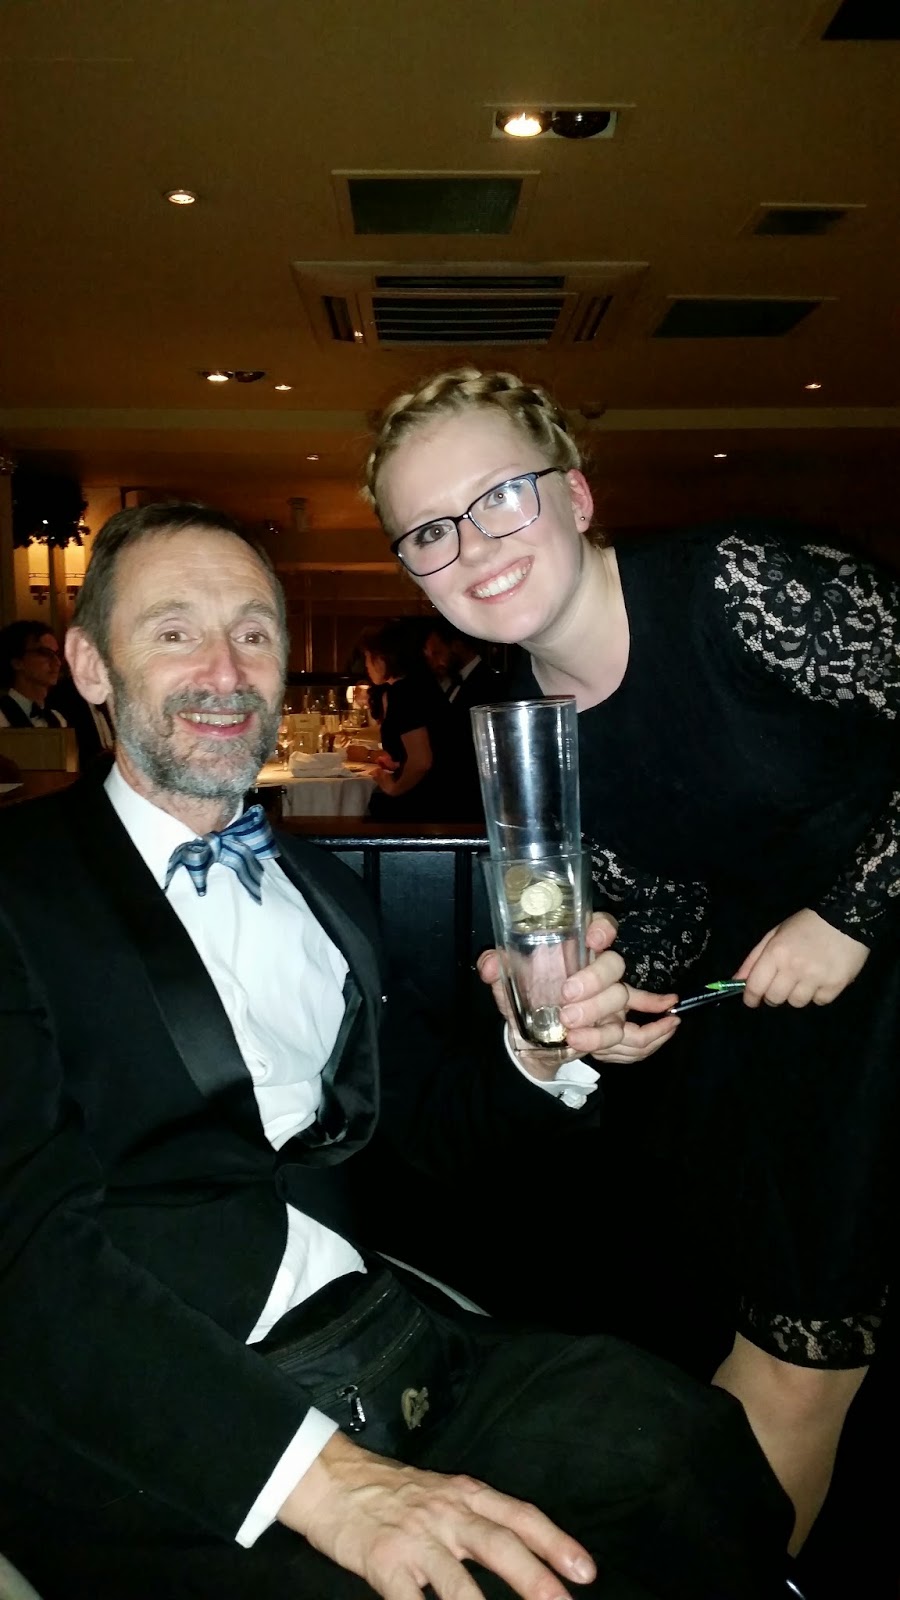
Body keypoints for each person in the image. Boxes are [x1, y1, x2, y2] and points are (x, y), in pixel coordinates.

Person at [0, 501, 793, 1600]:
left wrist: (539, 1047)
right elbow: (22, 1251)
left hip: (382, 1343)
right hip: (155, 1411)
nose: (225, 671)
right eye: (174, 631)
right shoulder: (18, 887)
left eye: (254, 632)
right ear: (91, 664)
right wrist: (327, 1483)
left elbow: (425, 1120)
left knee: (682, 1445)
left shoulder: (323, 890)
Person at [363, 366, 900, 1558]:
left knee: (797, 1365)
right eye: (430, 531)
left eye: (501, 495)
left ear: (576, 494)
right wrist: (608, 1002)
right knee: (745, 1344)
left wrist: (852, 912)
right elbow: (656, 914)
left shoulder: (740, 584)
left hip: (877, 978)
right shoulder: (520, 717)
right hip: (773, 1023)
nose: (473, 546)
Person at [360, 619, 455, 822]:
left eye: (368, 657)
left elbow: (422, 761)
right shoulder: (420, 685)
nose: (366, 666)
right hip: (445, 794)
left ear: (383, 658)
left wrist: (394, 787)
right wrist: (400, 763)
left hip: (428, 804)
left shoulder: (403, 693)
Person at [423, 619, 509, 819]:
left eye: (437, 653)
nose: (433, 662)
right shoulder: (450, 681)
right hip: (451, 793)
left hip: (471, 796)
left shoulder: (489, 684)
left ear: (457, 646)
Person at [0, 619, 66, 727]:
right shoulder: (2, 716)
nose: (57, 662)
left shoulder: (58, 719)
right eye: (45, 653)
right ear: (17, 662)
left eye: (57, 654)